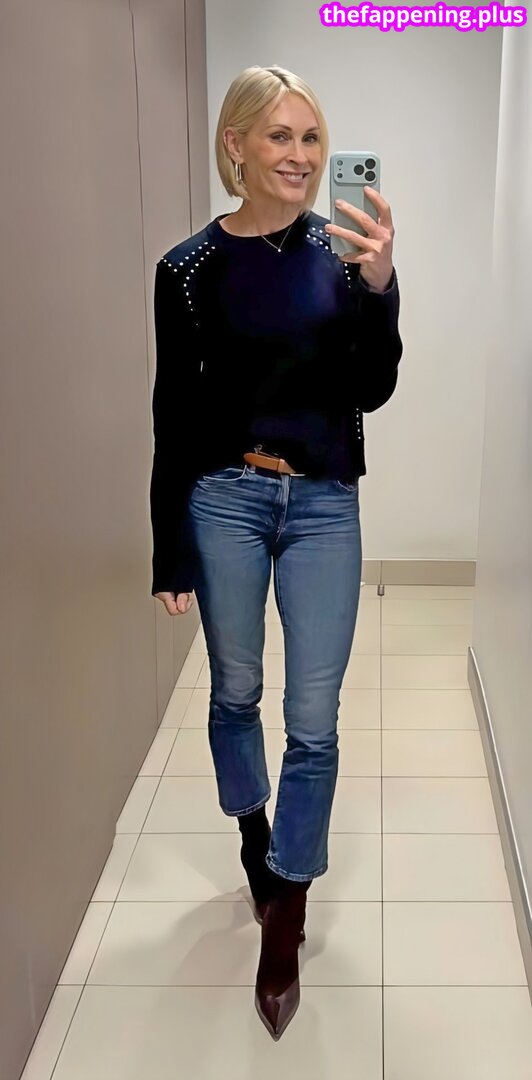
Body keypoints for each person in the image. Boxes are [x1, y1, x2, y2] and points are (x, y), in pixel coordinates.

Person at [150, 64, 402, 1041]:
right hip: (224, 497)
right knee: (235, 690)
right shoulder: (187, 270)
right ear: (237, 146)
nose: (300, 156)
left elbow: (372, 388)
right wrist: (169, 548)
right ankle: (253, 832)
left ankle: (285, 908)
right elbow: (174, 415)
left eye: (311, 137)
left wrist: (379, 288)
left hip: (325, 505)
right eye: (280, 136)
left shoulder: (342, 259)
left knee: (313, 717)